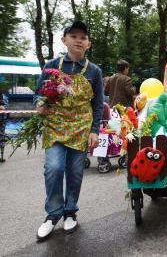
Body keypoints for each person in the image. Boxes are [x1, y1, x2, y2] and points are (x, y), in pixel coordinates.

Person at [35, 21, 103, 241]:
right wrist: (40, 104)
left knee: (75, 172)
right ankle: (53, 214)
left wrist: (95, 130)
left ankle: (70, 211)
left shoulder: (94, 71)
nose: (78, 40)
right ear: (64, 40)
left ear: (88, 44)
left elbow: (98, 103)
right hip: (55, 127)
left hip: (81, 128)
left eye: (82, 37)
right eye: (73, 36)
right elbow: (38, 93)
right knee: (53, 168)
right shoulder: (51, 66)